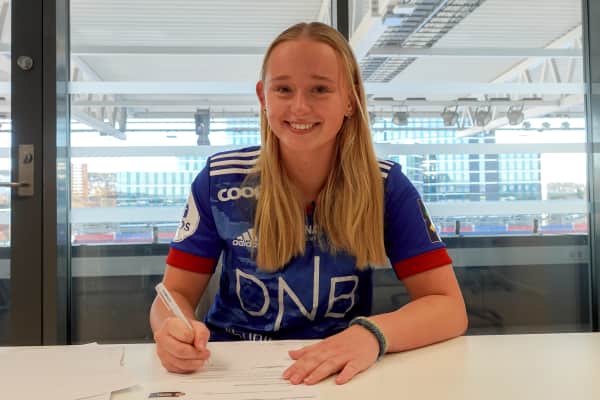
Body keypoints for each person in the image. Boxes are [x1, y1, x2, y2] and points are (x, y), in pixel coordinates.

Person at [150, 21, 468, 385]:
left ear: (350, 99)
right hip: (228, 371)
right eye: (283, 89)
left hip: (336, 371)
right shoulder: (219, 180)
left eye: (320, 89)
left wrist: (371, 335)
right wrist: (171, 331)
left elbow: (448, 307)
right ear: (263, 97)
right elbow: (173, 293)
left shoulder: (386, 186)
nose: (300, 107)